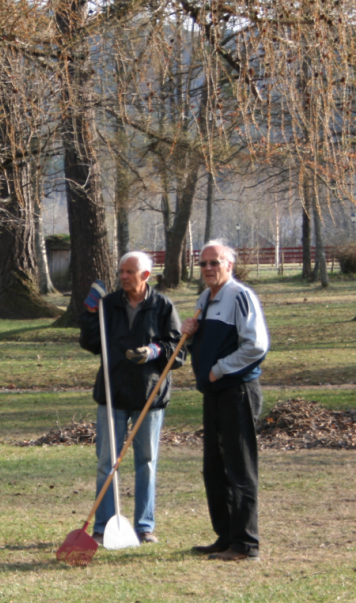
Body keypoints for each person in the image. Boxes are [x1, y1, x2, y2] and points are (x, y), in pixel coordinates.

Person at [79, 251, 183, 545]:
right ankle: (103, 526)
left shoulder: (162, 305)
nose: (123, 276)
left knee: (146, 461)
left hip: (149, 394)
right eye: (121, 271)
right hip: (112, 392)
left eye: (130, 272)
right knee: (106, 462)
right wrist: (88, 313)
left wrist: (153, 351)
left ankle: (144, 526)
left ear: (145, 276)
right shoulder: (108, 304)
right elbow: (90, 343)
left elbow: (179, 349)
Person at [179, 240, 270, 561]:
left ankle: (245, 544)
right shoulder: (205, 297)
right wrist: (189, 333)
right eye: (203, 263)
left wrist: (219, 370)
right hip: (213, 392)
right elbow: (205, 343)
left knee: (239, 466)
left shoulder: (240, 296)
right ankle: (226, 536)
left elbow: (256, 345)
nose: (207, 269)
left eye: (214, 263)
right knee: (214, 467)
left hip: (237, 390)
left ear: (229, 265)